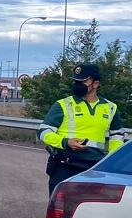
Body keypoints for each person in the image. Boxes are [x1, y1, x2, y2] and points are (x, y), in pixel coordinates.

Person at [37, 63, 126, 193]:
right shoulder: (63, 105)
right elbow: (43, 132)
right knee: (61, 211)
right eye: (75, 81)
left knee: (91, 210)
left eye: (82, 81)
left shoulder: (110, 107)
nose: (76, 84)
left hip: (96, 169)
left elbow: (117, 135)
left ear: (96, 84)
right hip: (65, 166)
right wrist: (65, 142)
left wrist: (111, 160)